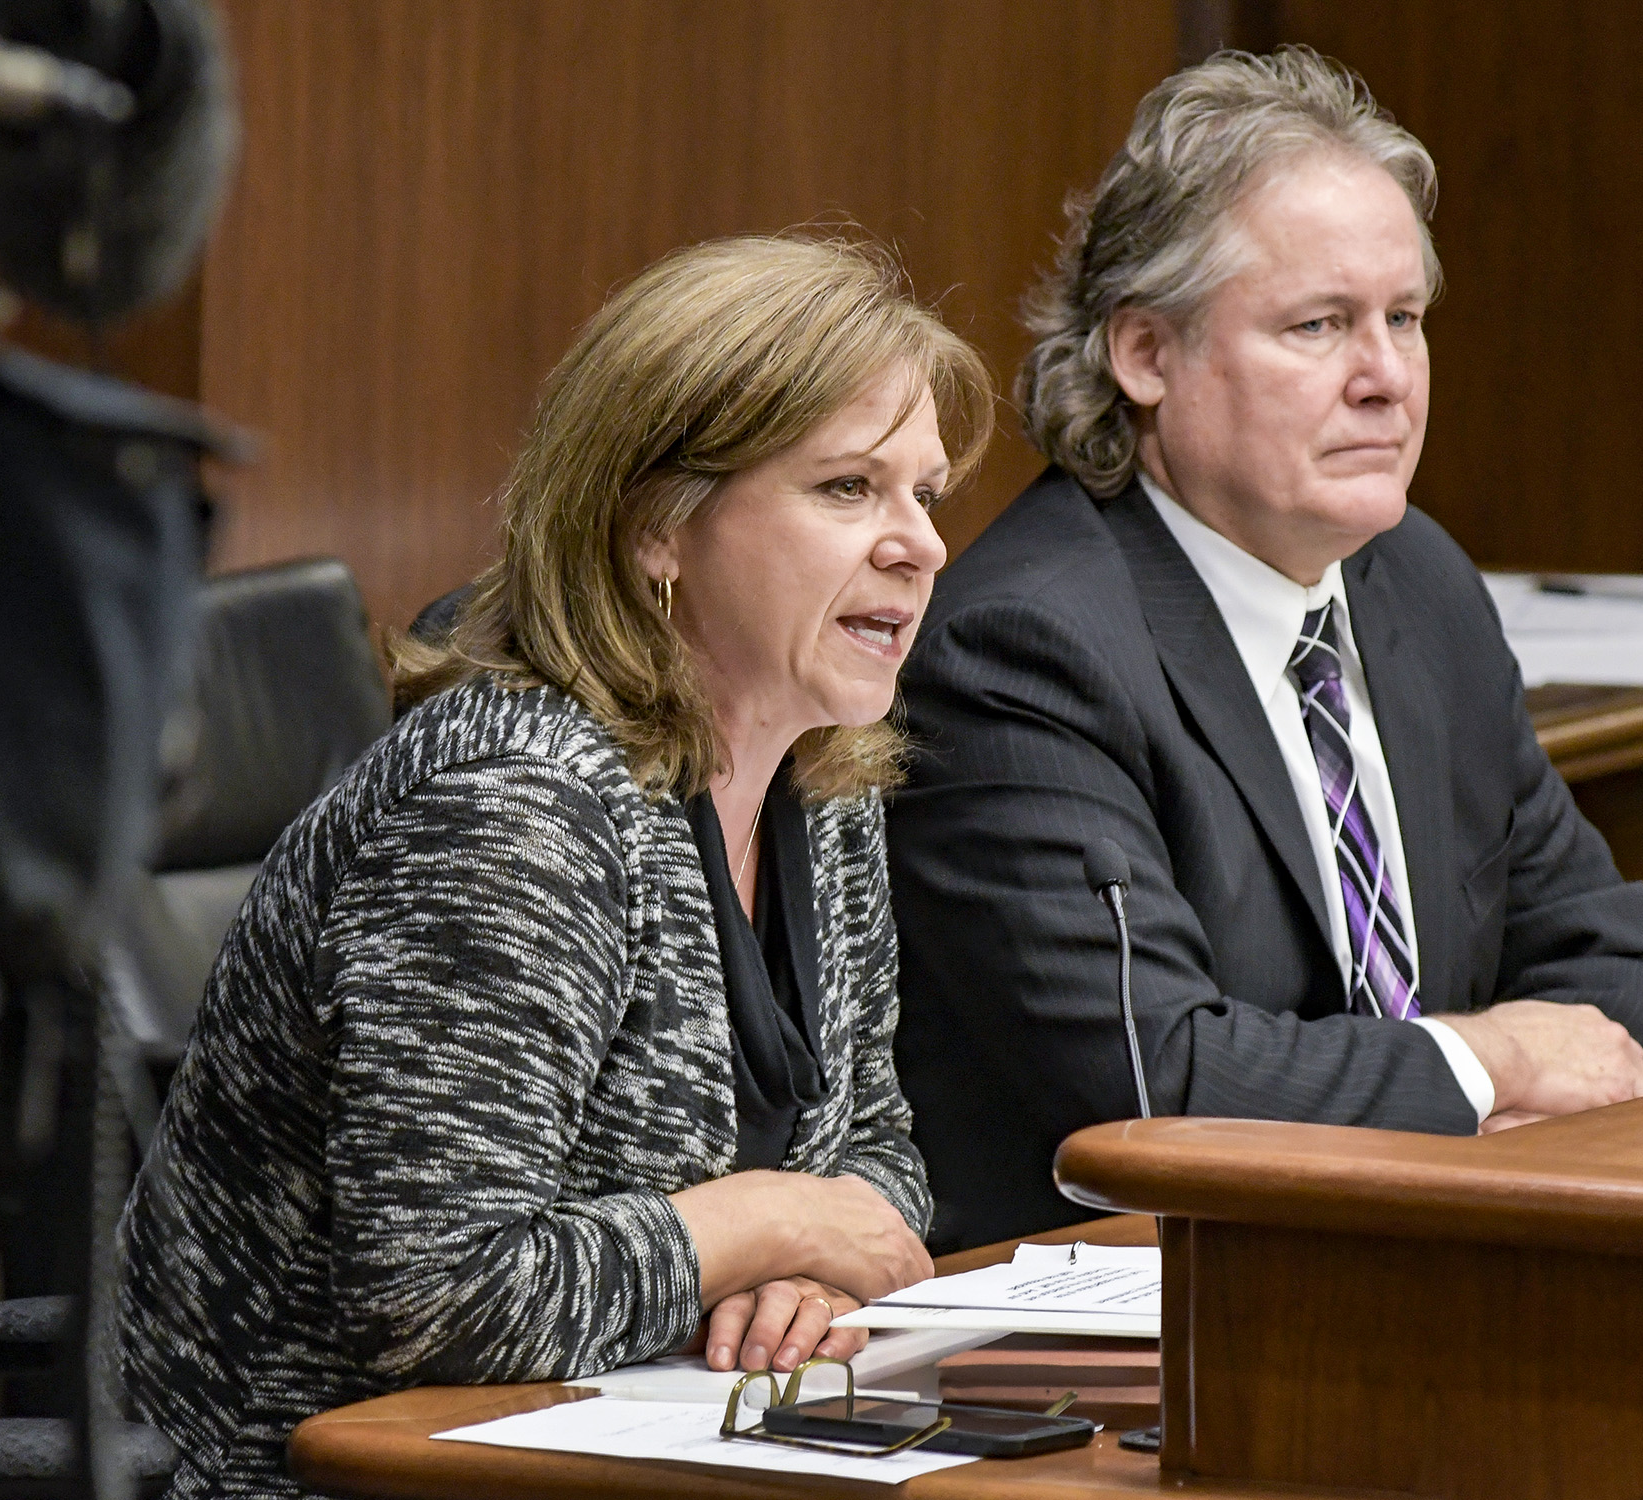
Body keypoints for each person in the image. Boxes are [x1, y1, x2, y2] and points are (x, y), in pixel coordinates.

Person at [115, 234, 994, 1495]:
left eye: (927, 493)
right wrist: (764, 1225)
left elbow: (876, 1151)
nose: (921, 545)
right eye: (849, 489)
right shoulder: (514, 809)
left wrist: (804, 1277)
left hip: (649, 1439)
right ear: (658, 529)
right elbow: (434, 1302)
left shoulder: (820, 765)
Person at [886, 48, 1643, 1250]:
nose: (1386, 380)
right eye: (1319, 326)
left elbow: (1627, 973)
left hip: (1426, 1262)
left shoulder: (1414, 580)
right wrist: (1486, 1066)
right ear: (1145, 355)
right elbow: (1153, 1077)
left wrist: (1502, 1106)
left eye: (1405, 320)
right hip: (1132, 1322)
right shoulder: (1028, 649)